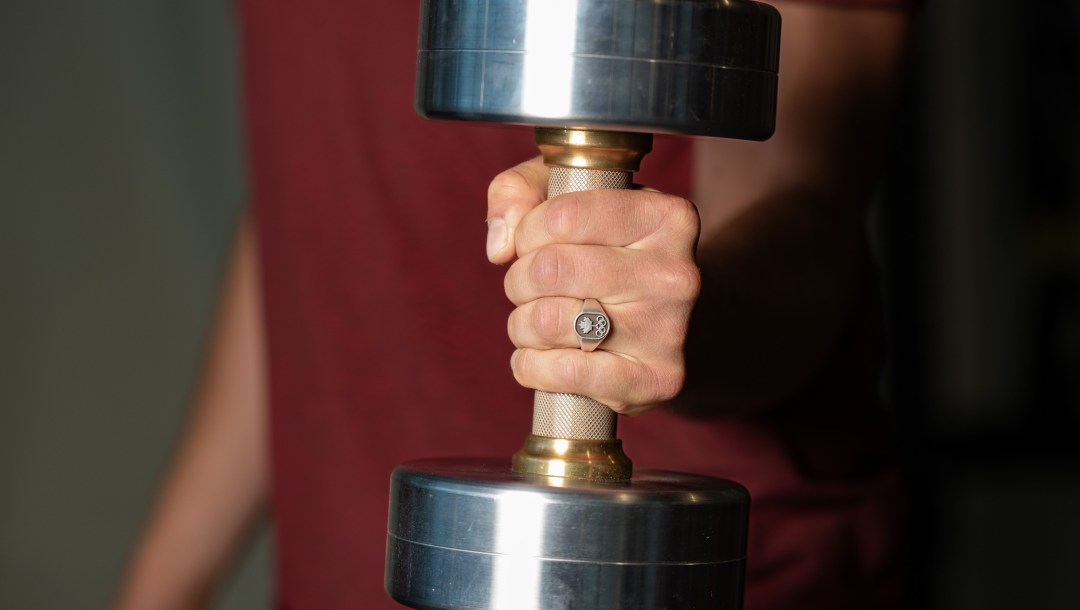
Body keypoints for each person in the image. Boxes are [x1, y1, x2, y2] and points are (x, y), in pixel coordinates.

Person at [115, 0, 913, 608]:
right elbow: (313, 214)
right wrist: (158, 591)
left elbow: (806, 212)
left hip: (680, 576)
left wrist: (650, 329)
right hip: (351, 577)